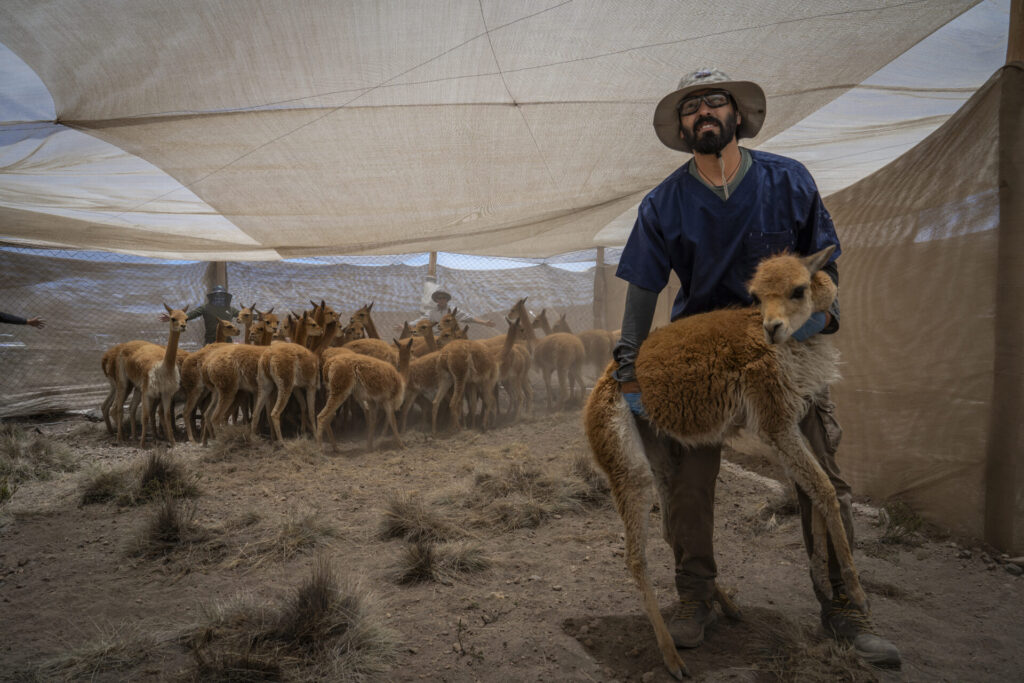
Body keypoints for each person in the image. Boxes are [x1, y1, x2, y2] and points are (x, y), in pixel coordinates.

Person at [612, 68, 900, 668]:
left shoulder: (788, 181)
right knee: (684, 485)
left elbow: (824, 267)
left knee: (819, 471)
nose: (703, 114)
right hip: (703, 361)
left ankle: (844, 604)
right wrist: (630, 367)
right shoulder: (663, 202)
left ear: (737, 116)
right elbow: (642, 290)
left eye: (714, 103)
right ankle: (697, 597)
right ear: (683, 127)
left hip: (783, 354)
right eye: (691, 109)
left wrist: (823, 312)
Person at [159, 285, 240, 345]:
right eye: (217, 296)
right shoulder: (205, 308)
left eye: (221, 296)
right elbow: (191, 315)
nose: (219, 298)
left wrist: (252, 316)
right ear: (213, 297)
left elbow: (244, 316)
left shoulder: (231, 309)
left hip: (228, 343)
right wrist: (174, 318)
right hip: (210, 342)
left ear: (225, 297)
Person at [422, 288, 495, 329]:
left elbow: (469, 318)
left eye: (444, 298)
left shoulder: (453, 310)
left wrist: (484, 322)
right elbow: (425, 323)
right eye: (439, 298)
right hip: (436, 338)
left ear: (447, 299)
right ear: (436, 300)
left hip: (449, 338)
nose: (441, 300)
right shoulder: (432, 312)